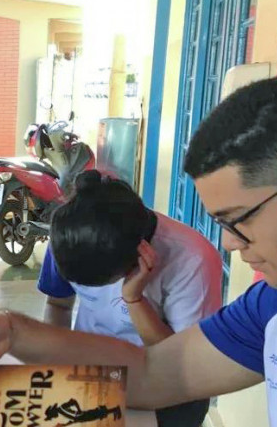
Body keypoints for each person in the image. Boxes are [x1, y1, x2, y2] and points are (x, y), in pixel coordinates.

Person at [0, 76, 277, 426]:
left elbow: (171, 378)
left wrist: (135, 301)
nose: (229, 243)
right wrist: (13, 329)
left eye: (239, 219)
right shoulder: (267, 307)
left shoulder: (195, 259)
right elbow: (156, 371)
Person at [39, 170, 222, 426]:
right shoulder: (70, 236)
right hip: (91, 376)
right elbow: (58, 305)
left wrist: (134, 299)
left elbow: (183, 362)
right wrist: (55, 366)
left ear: (139, 254)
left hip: (166, 391)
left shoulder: (193, 259)